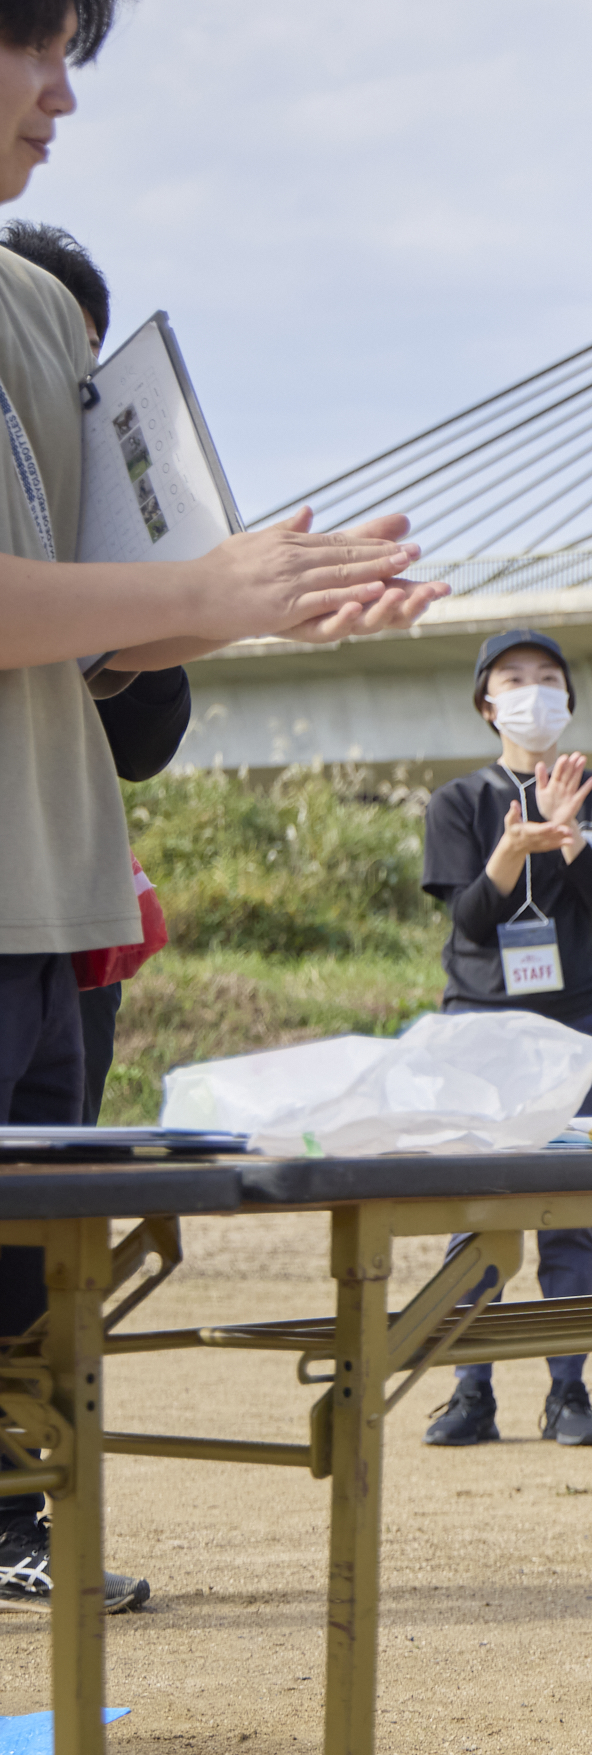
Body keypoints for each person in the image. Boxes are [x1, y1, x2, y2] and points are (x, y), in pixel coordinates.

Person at [0, 0, 442, 1623]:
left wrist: (259, 605)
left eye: (72, 56)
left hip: (50, 909)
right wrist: (208, 581)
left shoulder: (29, 310)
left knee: (30, 1336)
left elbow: (99, 630)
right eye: (30, 48)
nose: (60, 96)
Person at [418, 628, 592, 1448]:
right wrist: (514, 849)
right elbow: (473, 920)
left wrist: (569, 835)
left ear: (568, 697)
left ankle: (568, 1391)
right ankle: (469, 1390)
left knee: (568, 1205)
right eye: (513, 679)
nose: (532, 691)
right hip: (482, 1019)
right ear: (488, 704)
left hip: (582, 1020)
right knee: (477, 1204)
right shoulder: (459, 803)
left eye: (547, 678)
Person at [4, 216, 191, 1120]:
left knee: (51, 1228)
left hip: (63, 927)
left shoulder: (75, 515)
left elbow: (146, 739)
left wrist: (180, 596)